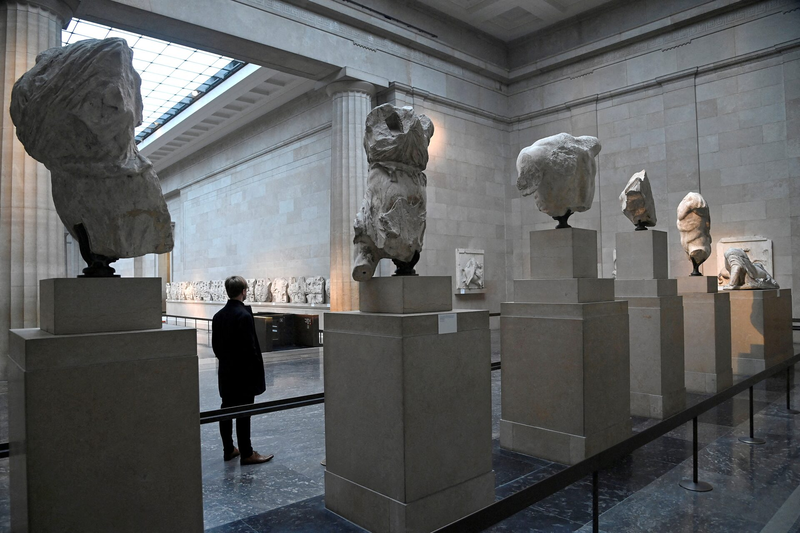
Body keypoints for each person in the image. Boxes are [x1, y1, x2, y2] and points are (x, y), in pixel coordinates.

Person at [212, 275, 274, 465]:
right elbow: (250, 349)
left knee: (226, 409)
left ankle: (229, 449)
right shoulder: (244, 316)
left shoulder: (218, 316)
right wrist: (256, 371)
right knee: (243, 413)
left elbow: (216, 347)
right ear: (244, 291)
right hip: (244, 374)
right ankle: (247, 453)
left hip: (226, 372)